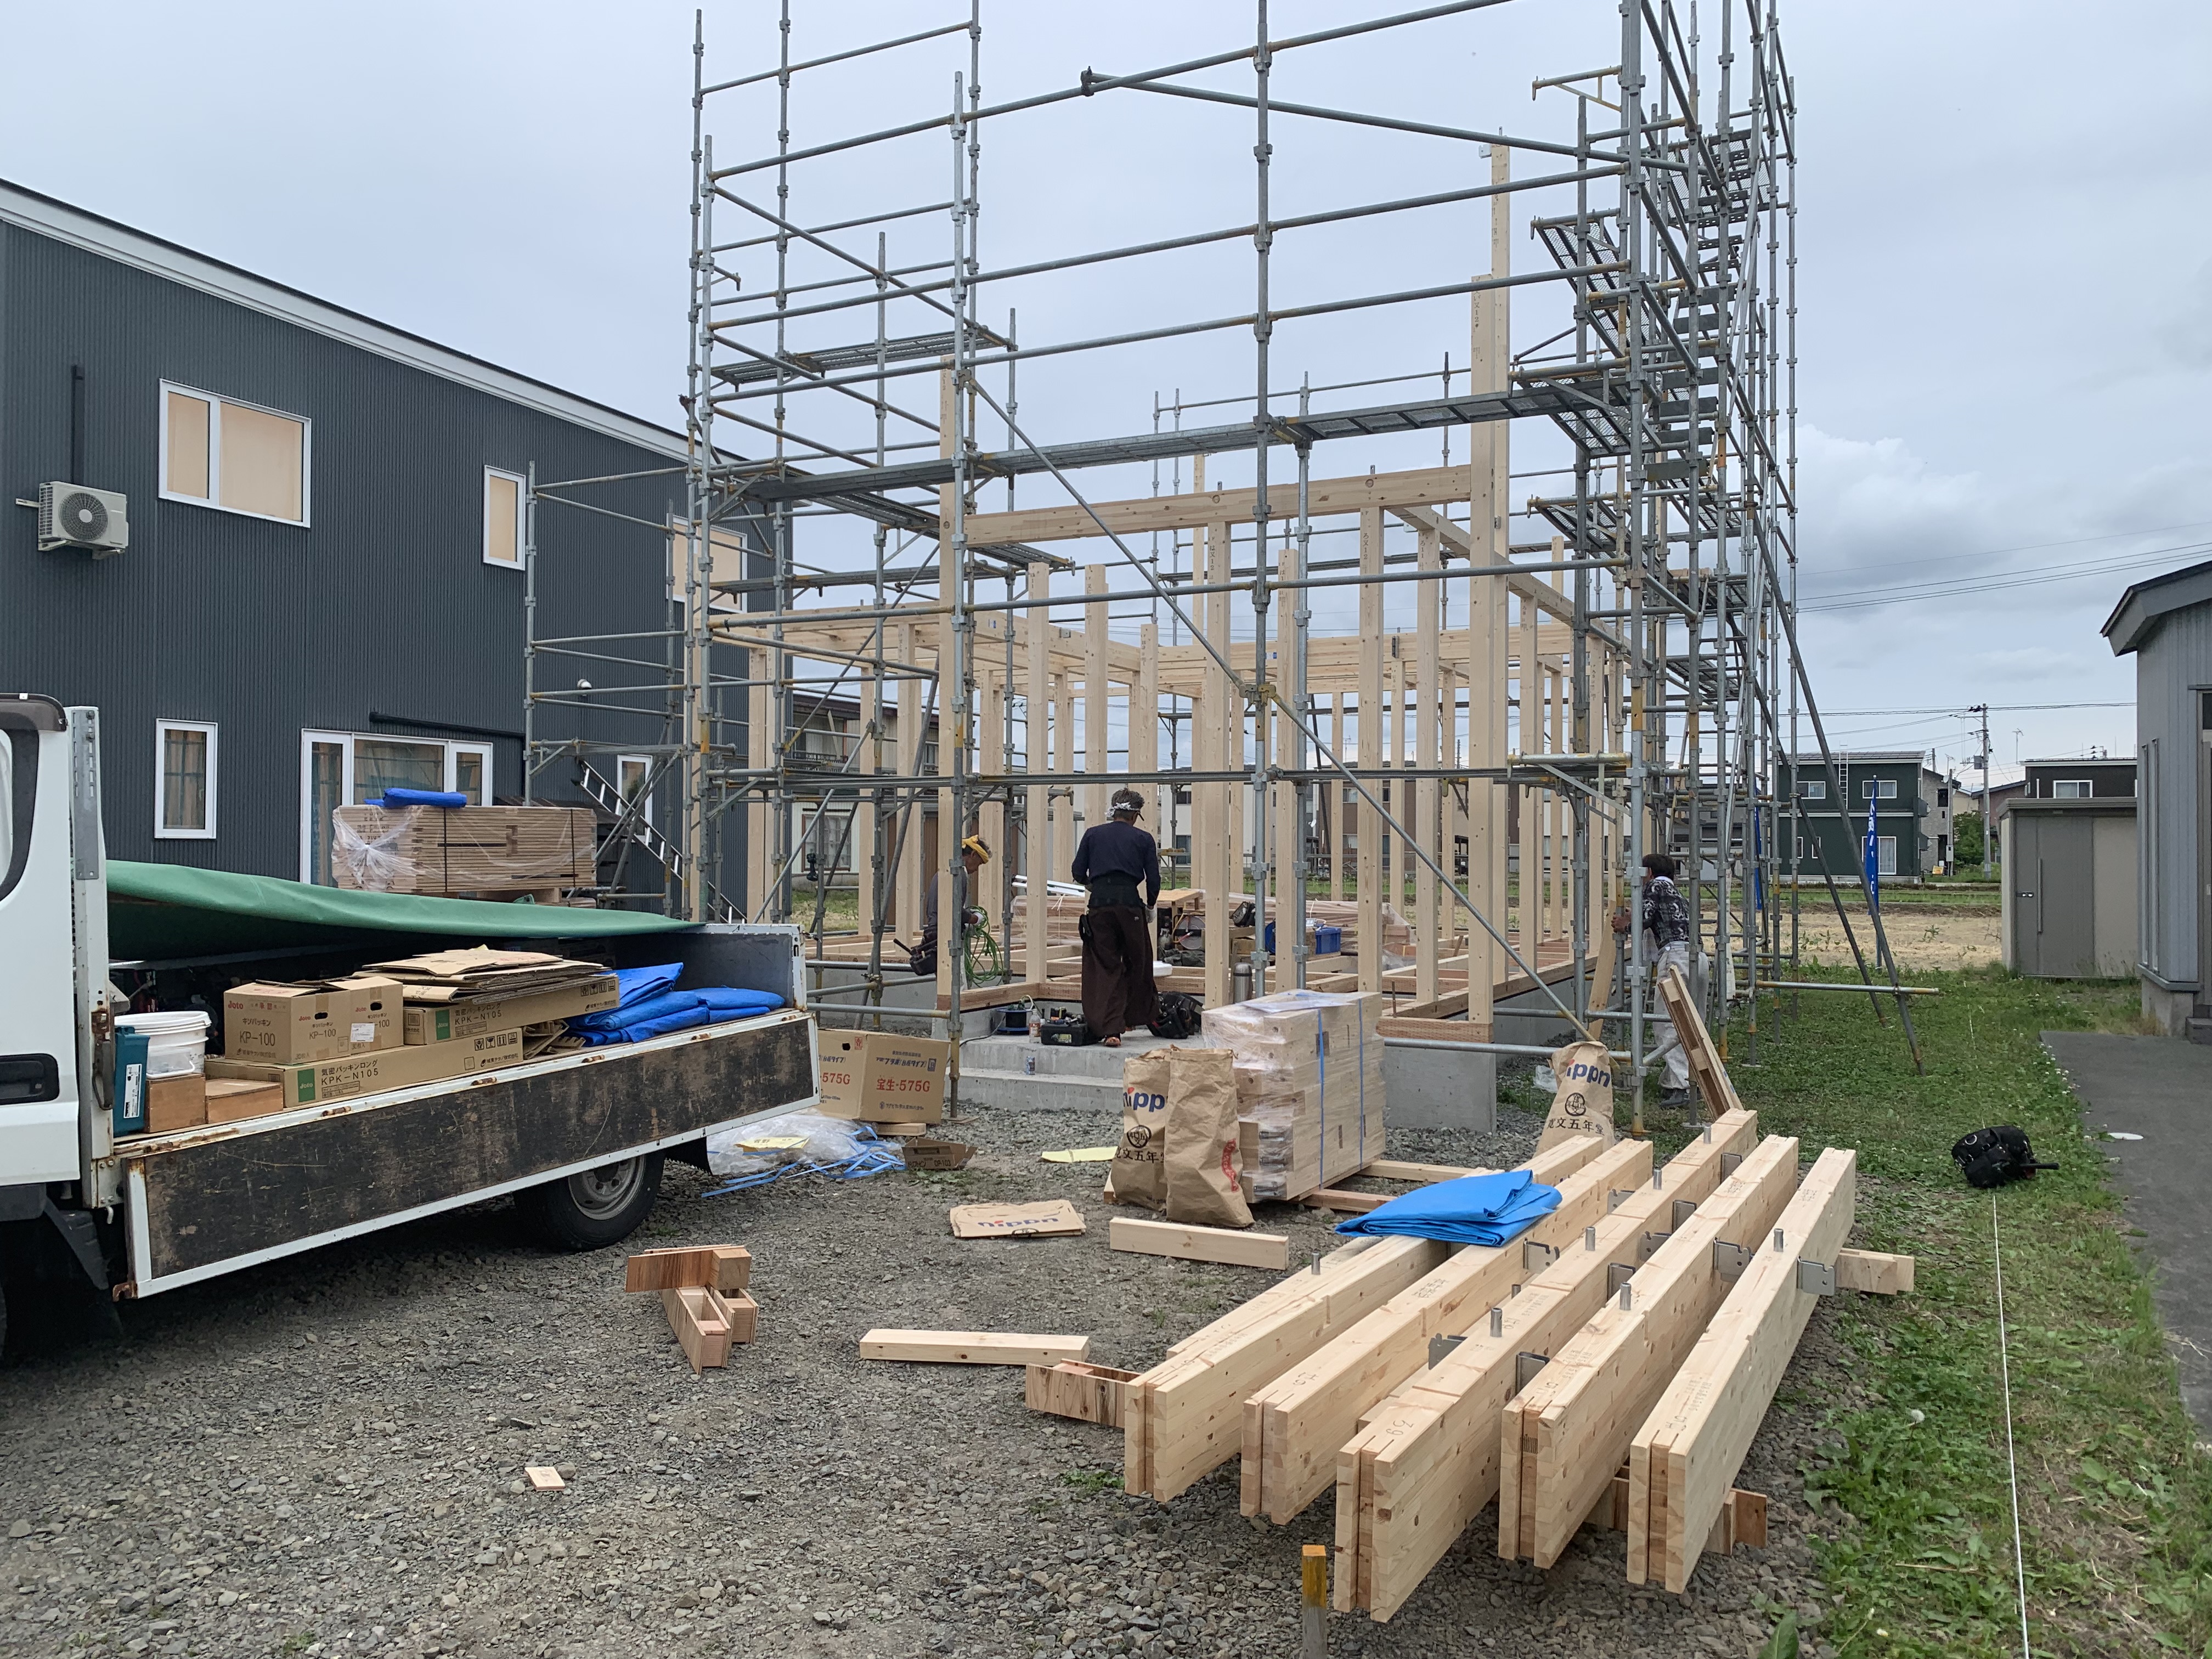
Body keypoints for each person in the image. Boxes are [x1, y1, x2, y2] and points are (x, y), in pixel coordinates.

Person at [1071, 788, 1160, 1046]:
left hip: (1099, 907)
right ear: (1134, 816)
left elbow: (1078, 871)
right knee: (1138, 961)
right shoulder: (1143, 839)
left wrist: (1094, 885)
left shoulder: (1093, 834)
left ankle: (1111, 1030)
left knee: (1105, 966)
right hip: (1130, 906)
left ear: (1114, 812)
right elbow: (1153, 879)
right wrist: (1150, 905)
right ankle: (1132, 1018)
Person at [1629, 850, 1694, 1108]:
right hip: (1695, 958)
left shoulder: (1655, 887)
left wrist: (1625, 924)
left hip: (1675, 958)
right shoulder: (1678, 894)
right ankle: (1685, 1080)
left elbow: (1643, 920)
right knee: (1691, 1023)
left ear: (1648, 873)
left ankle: (1681, 1086)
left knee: (1668, 1023)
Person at [913, 835, 989, 974]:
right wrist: (974, 919)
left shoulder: (945, 872)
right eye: (979, 863)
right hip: (945, 935)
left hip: (935, 934)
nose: (977, 870)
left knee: (946, 979)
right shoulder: (958, 874)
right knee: (955, 979)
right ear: (973, 854)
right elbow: (953, 909)